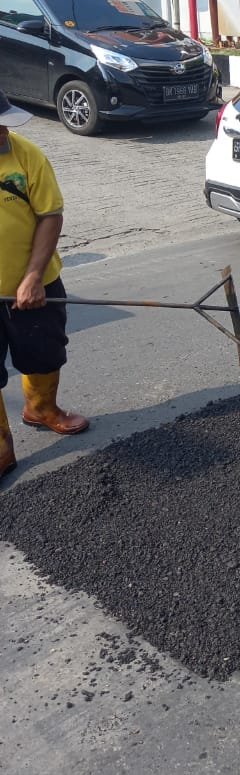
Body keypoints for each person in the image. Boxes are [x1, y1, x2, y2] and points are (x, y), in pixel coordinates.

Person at [0, 90, 89, 483]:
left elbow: (50, 215)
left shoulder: (26, 156)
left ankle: (41, 408)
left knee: (44, 352)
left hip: (35, 284)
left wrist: (34, 276)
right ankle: (0, 447)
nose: (4, 132)